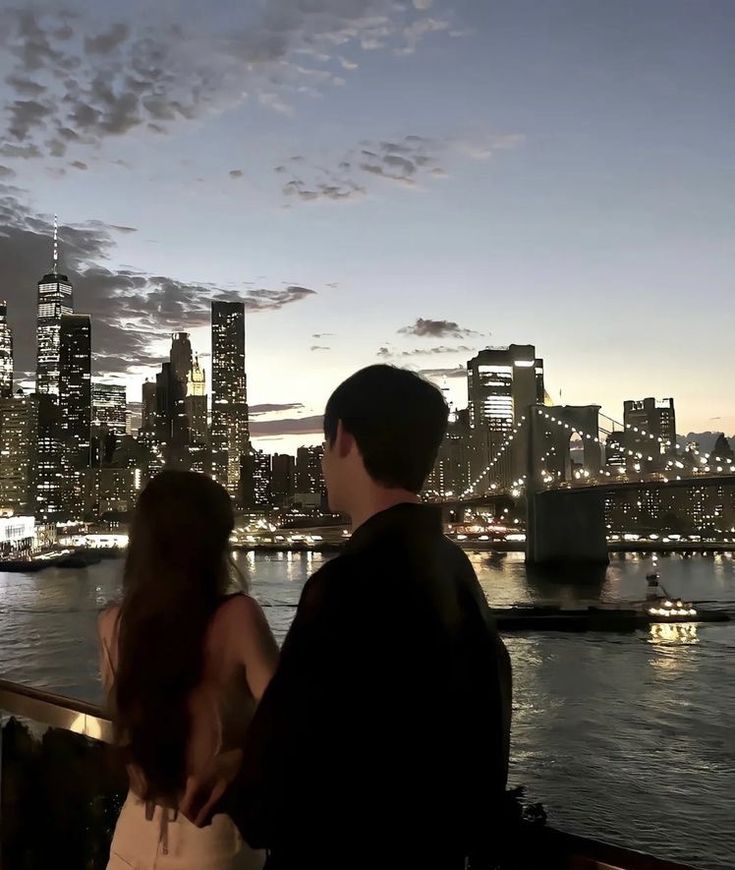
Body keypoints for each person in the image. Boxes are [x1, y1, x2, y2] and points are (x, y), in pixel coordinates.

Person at [184, 365, 513, 870]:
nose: (320, 459)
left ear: (342, 439)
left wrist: (240, 770)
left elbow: (280, 787)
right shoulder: (455, 568)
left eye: (322, 442)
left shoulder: (345, 585)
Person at [99, 470, 279, 870]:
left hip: (131, 836)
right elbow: (291, 728)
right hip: (212, 837)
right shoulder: (238, 618)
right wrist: (236, 759)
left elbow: (126, 732)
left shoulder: (114, 623)